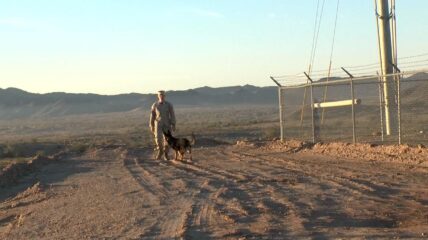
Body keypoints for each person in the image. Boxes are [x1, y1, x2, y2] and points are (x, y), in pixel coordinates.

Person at [149, 90, 176, 160]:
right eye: (160, 95)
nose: (162, 96)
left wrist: (173, 124)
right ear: (158, 96)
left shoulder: (169, 105)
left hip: (167, 123)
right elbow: (152, 116)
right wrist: (151, 125)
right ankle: (160, 151)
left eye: (163, 95)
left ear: (165, 96)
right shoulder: (155, 105)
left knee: (168, 140)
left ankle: (166, 153)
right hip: (158, 124)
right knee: (158, 138)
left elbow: (172, 115)